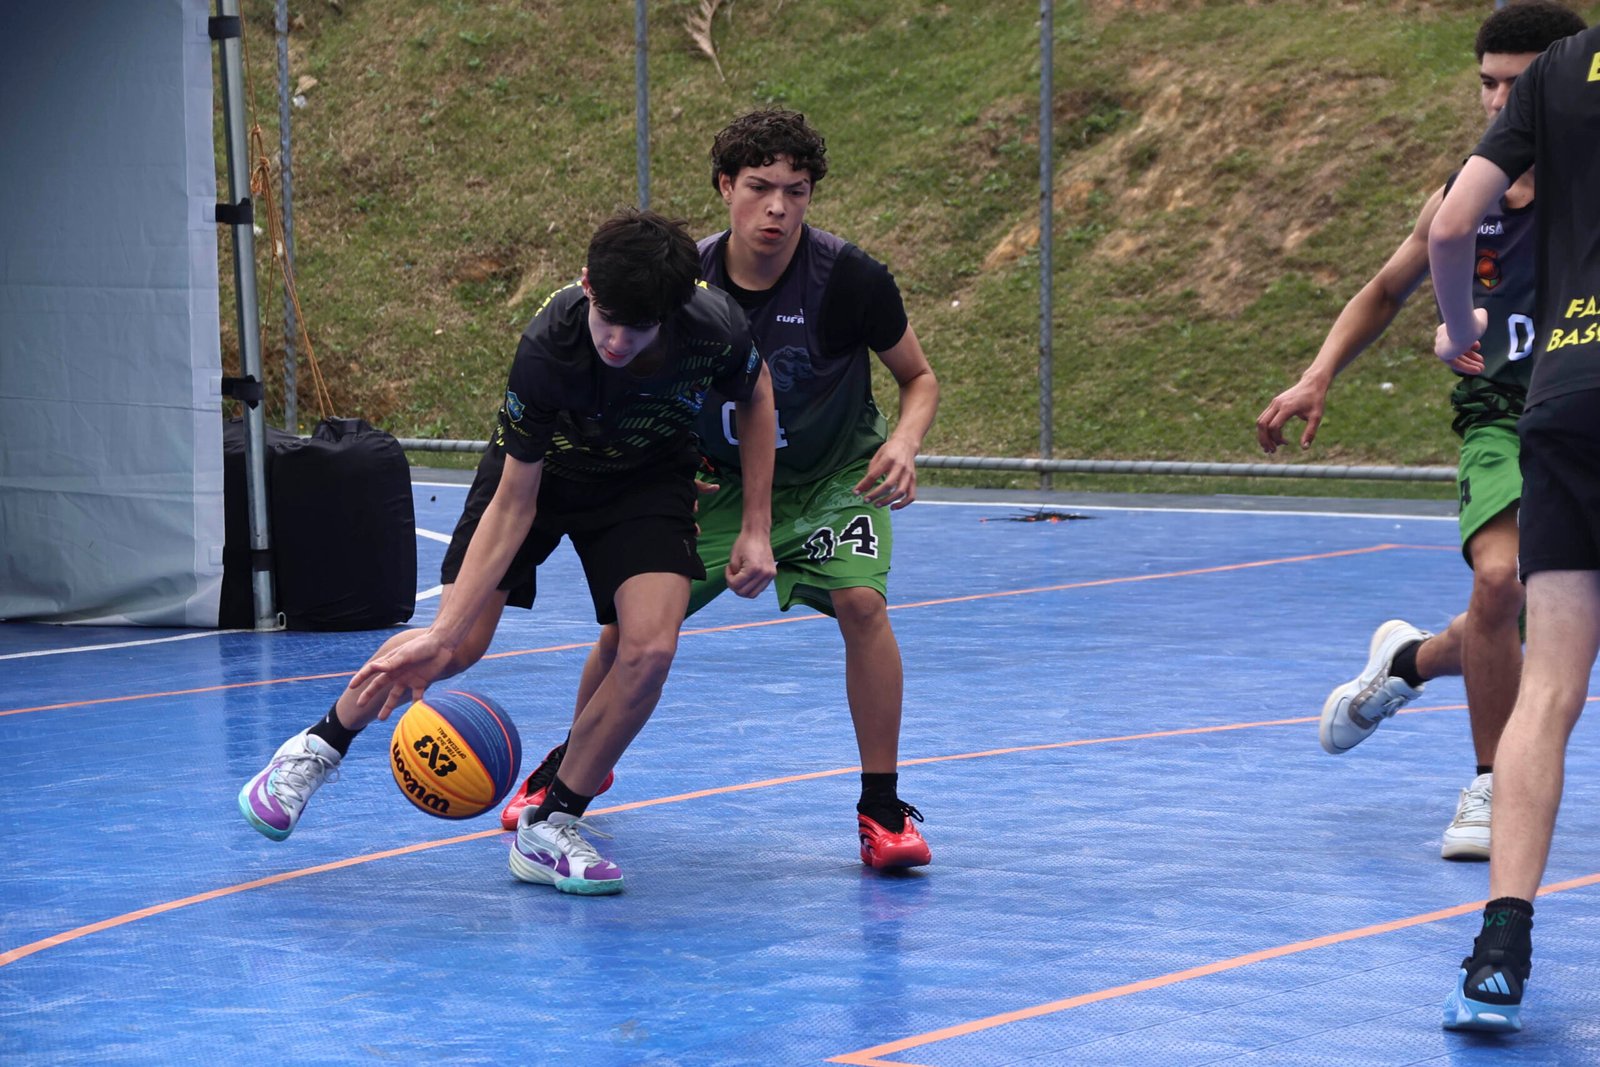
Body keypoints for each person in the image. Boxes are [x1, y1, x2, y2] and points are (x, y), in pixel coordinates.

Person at [238, 209, 778, 896]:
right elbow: (515, 503)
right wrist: (445, 630)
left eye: (637, 328)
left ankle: (552, 824)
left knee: (650, 650)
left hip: (643, 481)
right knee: (454, 646)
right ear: (586, 284)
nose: (616, 340)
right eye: (607, 318)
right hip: (539, 477)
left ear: (671, 314)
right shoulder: (551, 344)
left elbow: (757, 393)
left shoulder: (715, 325)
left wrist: (756, 524)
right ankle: (314, 748)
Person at [500, 108, 942, 870]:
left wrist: (902, 442)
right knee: (632, 630)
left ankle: (881, 806)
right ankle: (576, 764)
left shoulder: (850, 279)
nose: (778, 208)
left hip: (834, 477)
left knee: (863, 603)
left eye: (796, 191)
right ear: (724, 186)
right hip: (717, 482)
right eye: (760, 187)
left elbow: (920, 377)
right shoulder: (681, 282)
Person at [1255, 1, 1586, 862]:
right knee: (1502, 582)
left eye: (1517, 86)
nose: (1498, 103)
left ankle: (1408, 662)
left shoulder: (1587, 194)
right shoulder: (1464, 197)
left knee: (1542, 616)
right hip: (1503, 418)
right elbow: (1382, 290)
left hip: (1584, 413)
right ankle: (1490, 781)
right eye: (1487, 85)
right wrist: (1317, 374)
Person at [1430, 15, 1600, 1034]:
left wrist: (1459, 330)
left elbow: (1450, 225)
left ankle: (1498, 950)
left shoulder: (1560, 70)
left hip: (1567, 394)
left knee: (1550, 688)